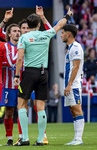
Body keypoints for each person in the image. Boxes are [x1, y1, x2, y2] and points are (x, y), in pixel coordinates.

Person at [14, 7, 73, 146]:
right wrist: (67, 14)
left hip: (29, 73)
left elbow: (19, 59)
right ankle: (40, 139)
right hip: (43, 73)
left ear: (27, 26)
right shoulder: (46, 34)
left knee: (21, 104)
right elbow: (59, 24)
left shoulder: (24, 37)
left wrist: (17, 75)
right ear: (39, 24)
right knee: (40, 107)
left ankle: (25, 138)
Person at [61, 24, 85, 145]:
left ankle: (78, 139)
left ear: (68, 34)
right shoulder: (70, 48)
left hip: (74, 84)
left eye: (62, 32)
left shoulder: (76, 47)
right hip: (70, 84)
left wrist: (70, 84)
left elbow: (76, 67)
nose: (61, 35)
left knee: (77, 110)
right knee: (72, 110)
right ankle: (76, 138)